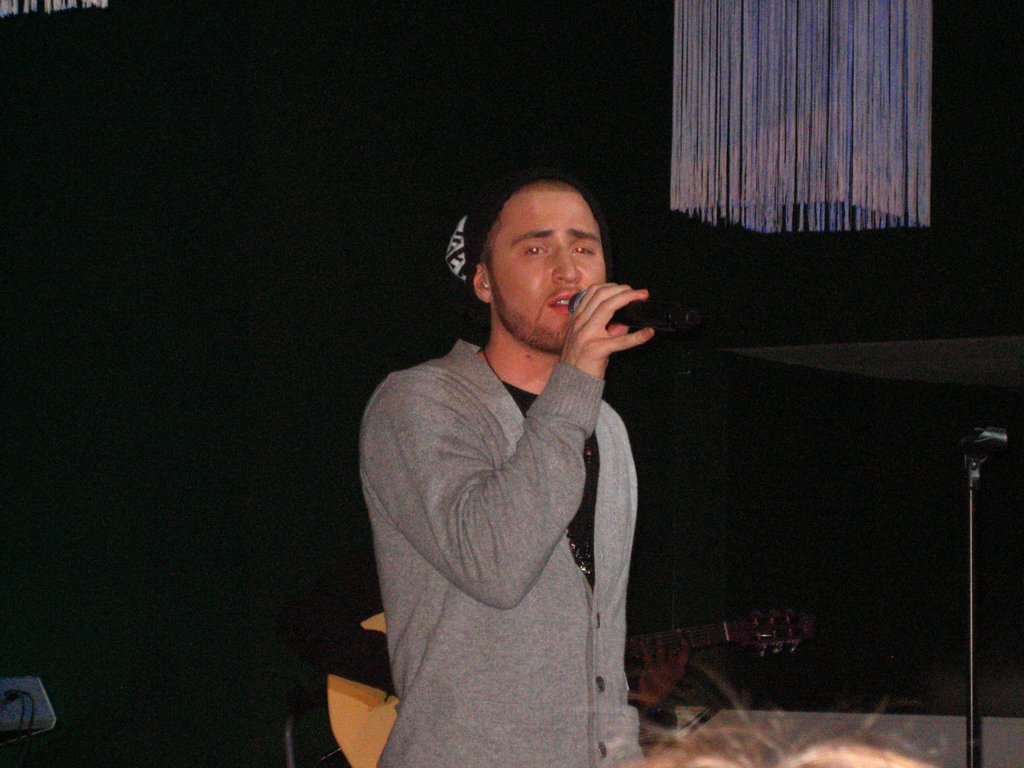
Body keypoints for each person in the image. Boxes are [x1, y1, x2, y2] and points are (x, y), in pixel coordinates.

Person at [358, 168, 655, 767]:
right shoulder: (418, 402)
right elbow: (494, 564)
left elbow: (603, 648)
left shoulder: (606, 427)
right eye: (536, 249)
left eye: (584, 248)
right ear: (483, 280)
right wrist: (576, 382)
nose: (568, 271)